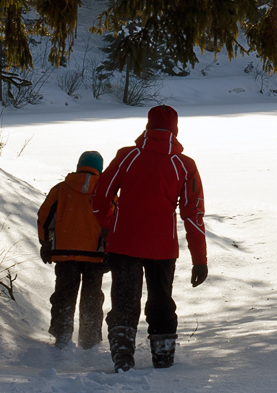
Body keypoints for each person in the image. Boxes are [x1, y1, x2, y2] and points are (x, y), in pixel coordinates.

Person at [90, 104, 207, 372]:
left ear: (148, 126)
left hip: (124, 243)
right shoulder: (184, 165)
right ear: (174, 129)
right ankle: (163, 356)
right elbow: (194, 215)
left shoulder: (126, 157)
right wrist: (199, 260)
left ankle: (122, 353)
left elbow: (99, 198)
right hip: (162, 247)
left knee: (124, 299)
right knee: (161, 301)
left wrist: (110, 223)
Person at [38, 151, 110, 349]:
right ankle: (90, 339)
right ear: (100, 168)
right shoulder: (105, 191)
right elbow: (114, 220)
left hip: (65, 252)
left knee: (64, 293)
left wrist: (45, 242)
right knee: (92, 296)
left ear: (79, 165)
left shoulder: (61, 189)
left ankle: (62, 335)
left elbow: (45, 216)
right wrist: (111, 250)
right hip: (95, 254)